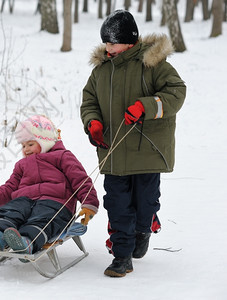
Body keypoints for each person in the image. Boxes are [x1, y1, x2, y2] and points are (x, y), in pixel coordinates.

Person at [80, 10, 186, 277]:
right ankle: (122, 256)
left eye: (112, 43)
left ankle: (144, 227)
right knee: (117, 204)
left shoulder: (153, 63)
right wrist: (92, 122)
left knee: (145, 202)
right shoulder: (102, 70)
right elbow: (89, 101)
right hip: (113, 153)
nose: (108, 48)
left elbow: (176, 92)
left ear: (129, 41)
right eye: (105, 43)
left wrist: (145, 106)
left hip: (146, 151)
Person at [0, 115, 99, 259]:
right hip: (25, 200)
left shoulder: (62, 156)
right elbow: (10, 188)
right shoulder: (21, 165)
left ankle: (27, 242)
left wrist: (89, 203)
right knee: (13, 208)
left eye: (30, 144)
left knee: (42, 218)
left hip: (55, 203)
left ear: (45, 141)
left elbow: (80, 180)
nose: (26, 149)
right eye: (23, 146)